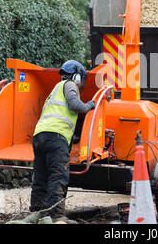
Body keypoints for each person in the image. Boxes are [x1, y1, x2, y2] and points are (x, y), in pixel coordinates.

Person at [30, 60, 95, 223]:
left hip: (39, 136)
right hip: (56, 137)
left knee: (40, 177)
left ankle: (37, 214)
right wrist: (90, 105)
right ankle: (56, 216)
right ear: (77, 77)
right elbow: (75, 106)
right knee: (57, 176)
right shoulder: (69, 85)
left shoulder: (55, 90)